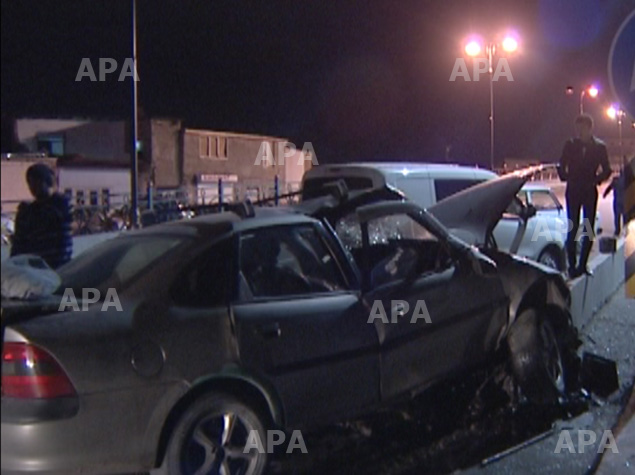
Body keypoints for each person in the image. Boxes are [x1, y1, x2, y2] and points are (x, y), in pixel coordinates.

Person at [558, 114, 611, 278]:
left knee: (588, 229)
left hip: (589, 191)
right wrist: (566, 177)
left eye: (581, 128)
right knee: (572, 229)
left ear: (589, 128)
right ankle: (572, 266)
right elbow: (561, 165)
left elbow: (607, 169)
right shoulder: (570, 145)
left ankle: (583, 265)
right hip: (573, 190)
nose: (578, 132)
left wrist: (595, 181)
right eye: (577, 128)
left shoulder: (599, 147)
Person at [10, 163, 72, 269]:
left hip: (57, 267)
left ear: (47, 181)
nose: (32, 187)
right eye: (30, 183)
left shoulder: (60, 204)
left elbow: (50, 218)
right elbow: (19, 243)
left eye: (36, 182)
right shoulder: (28, 211)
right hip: (34, 269)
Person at [602, 156, 627, 235]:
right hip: (623, 201)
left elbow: (610, 187)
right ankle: (623, 231)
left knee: (618, 217)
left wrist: (605, 194)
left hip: (619, 201)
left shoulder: (616, 180)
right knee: (623, 217)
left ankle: (618, 230)